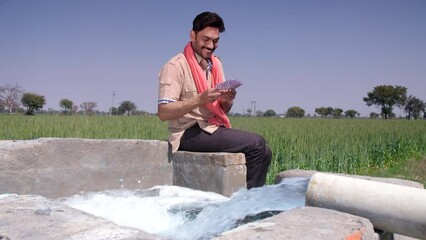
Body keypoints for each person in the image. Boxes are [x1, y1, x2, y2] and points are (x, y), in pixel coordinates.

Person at [157, 11, 271, 189]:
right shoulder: (175, 66)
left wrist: (227, 101)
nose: (211, 45)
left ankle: (255, 200)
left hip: (211, 128)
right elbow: (164, 112)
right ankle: (246, 204)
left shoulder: (215, 64)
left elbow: (221, 110)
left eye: (215, 41)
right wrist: (200, 99)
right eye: (205, 39)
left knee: (265, 151)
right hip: (187, 133)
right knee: (256, 144)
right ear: (192, 35)